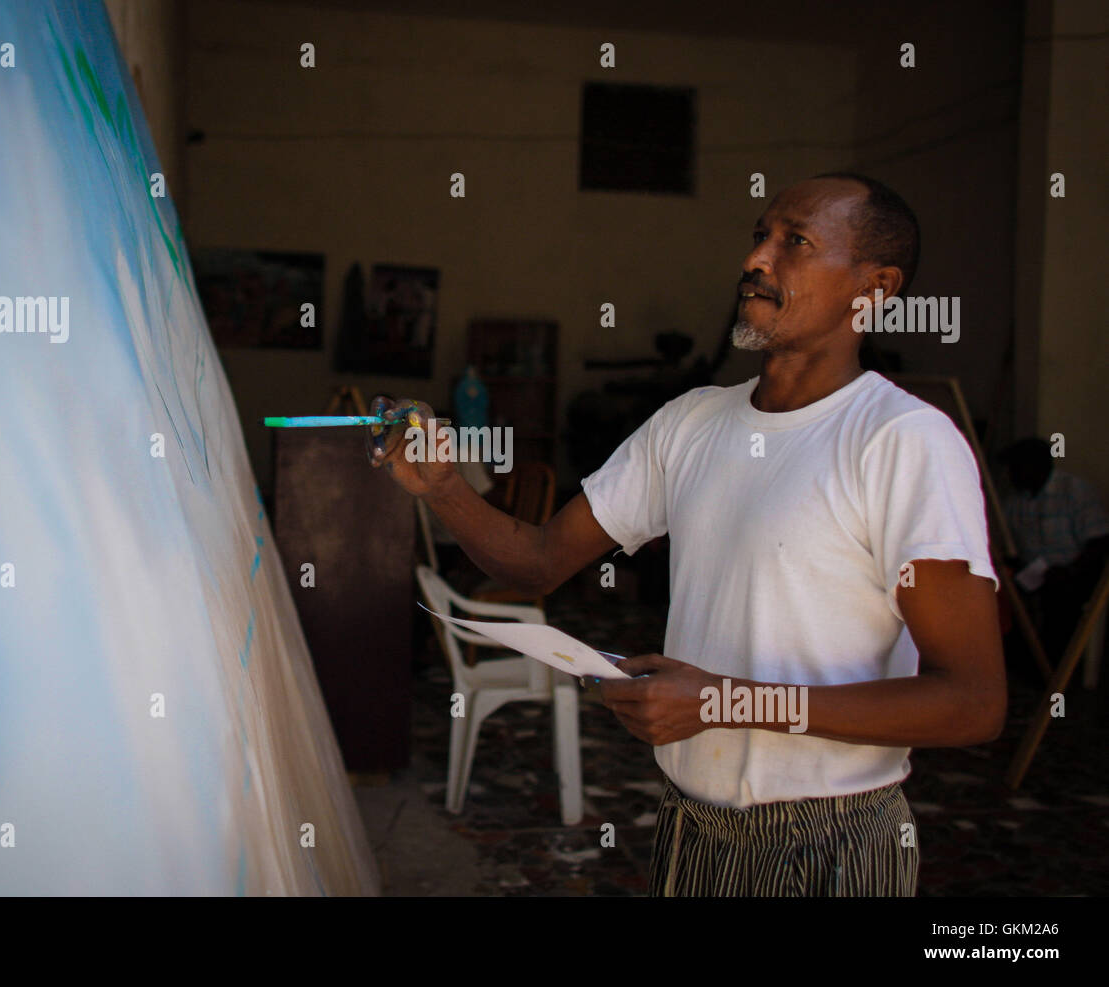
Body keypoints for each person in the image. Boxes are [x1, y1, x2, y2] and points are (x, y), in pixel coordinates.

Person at [368, 173, 1006, 897]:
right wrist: (446, 486)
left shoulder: (902, 441)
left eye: (794, 242)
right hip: (689, 829)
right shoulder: (692, 421)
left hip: (829, 841)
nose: (756, 260)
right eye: (759, 236)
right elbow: (540, 560)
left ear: (875, 287)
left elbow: (973, 700)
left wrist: (724, 701)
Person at [1001, 436, 1109, 659]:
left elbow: (1099, 541)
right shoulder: (1015, 502)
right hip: (1034, 572)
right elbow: (1012, 548)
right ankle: (1018, 658)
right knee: (1000, 594)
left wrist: (1071, 571)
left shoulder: (1074, 491)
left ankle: (1053, 665)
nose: (1010, 475)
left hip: (1075, 572)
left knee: (1059, 596)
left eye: (1016, 467)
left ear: (1037, 465)